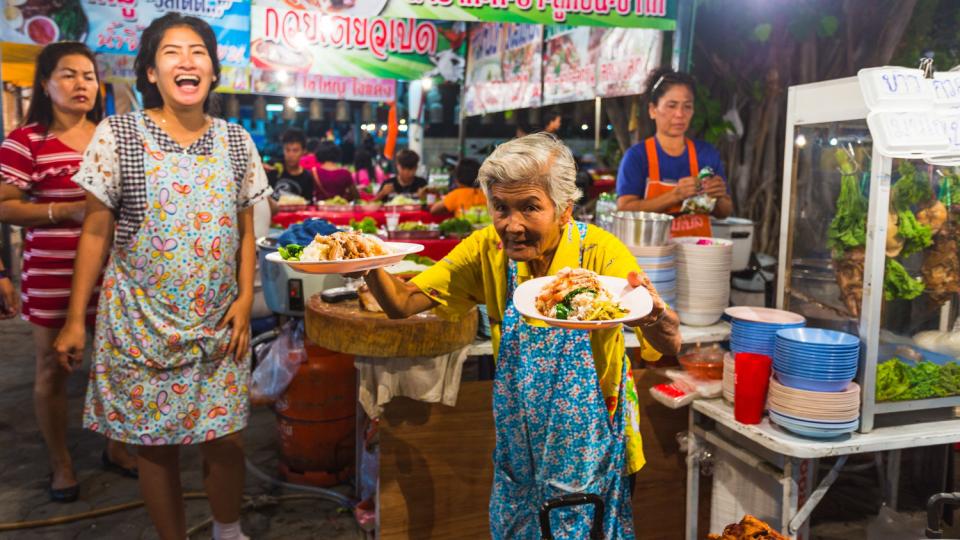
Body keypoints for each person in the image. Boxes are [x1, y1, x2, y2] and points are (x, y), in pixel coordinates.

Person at [356, 133, 680, 538]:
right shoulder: (485, 251)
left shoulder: (599, 253)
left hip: (592, 454)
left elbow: (670, 343)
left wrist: (654, 314)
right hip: (520, 459)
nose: (512, 226)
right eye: (501, 208)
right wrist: (368, 261)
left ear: (564, 210)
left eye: (530, 208)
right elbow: (403, 302)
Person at [53, 14, 270, 540]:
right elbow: (95, 234)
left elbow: (247, 230)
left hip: (219, 322)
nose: (187, 61)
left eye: (198, 52)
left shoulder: (236, 141)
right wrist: (74, 322)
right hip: (139, 324)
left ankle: (227, 530)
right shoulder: (118, 134)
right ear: (151, 72)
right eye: (171, 52)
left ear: (213, 72)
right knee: (155, 445)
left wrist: (244, 299)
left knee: (227, 437)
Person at [0, 41, 137, 503]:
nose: (82, 84)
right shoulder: (26, 141)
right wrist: (66, 211)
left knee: (116, 363)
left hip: (113, 272)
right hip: (51, 274)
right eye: (68, 75)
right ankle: (60, 464)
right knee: (52, 366)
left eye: (88, 76)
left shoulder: (111, 137)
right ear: (45, 84)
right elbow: (4, 206)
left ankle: (116, 448)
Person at [615, 67, 732, 236]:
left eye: (687, 106)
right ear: (652, 110)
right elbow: (625, 209)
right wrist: (675, 195)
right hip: (652, 254)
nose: (680, 114)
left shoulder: (706, 154)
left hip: (698, 256)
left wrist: (718, 195)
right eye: (672, 106)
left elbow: (724, 212)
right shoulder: (637, 157)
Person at [266, 128, 315, 213]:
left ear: (303, 151)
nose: (290, 155)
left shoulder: (307, 177)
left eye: (295, 150)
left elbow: (307, 205)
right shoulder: (273, 168)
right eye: (287, 150)